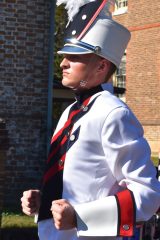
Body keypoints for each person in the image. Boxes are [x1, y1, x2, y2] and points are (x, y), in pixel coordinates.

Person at [21, 0, 160, 239]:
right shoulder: (70, 111)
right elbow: (83, 184)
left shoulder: (114, 113)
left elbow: (147, 195)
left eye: (74, 57)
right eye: (65, 56)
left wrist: (80, 217)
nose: (63, 63)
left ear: (101, 66)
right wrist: (45, 203)